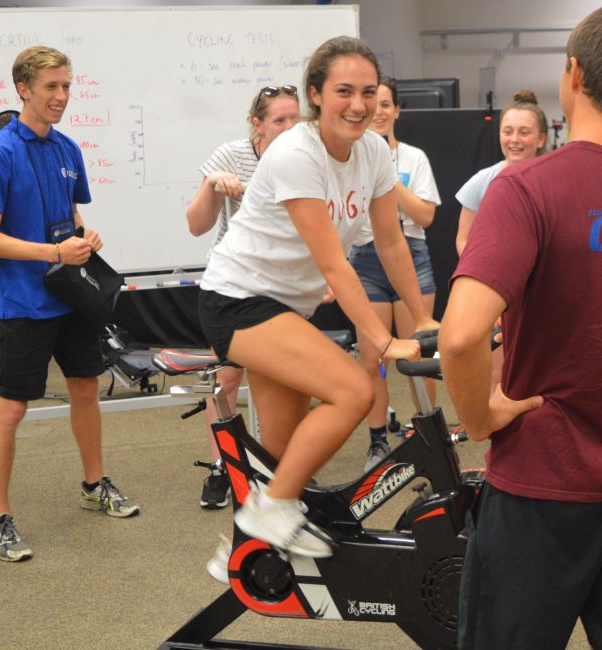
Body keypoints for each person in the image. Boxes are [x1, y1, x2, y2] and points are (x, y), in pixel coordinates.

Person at [439, 6, 602, 647]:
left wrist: (482, 417)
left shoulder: (524, 187)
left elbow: (460, 336)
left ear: (572, 74)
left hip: (543, 484)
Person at [197, 36, 435, 559]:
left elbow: (391, 241)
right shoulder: (295, 153)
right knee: (354, 390)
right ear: (316, 95)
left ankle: (239, 555)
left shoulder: (373, 151)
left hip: (286, 308)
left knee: (284, 453)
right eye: (344, 91)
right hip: (237, 300)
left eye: (368, 92)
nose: (358, 104)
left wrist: (421, 320)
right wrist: (381, 339)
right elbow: (333, 262)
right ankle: (270, 511)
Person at [0, 45, 139, 563]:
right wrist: (53, 252)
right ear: (23, 89)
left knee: (86, 389)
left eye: (67, 86)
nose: (62, 96)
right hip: (24, 303)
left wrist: (86, 236)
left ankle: (94, 486)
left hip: (72, 297)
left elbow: (68, 214)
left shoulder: (67, 149)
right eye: (51, 87)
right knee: (13, 408)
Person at [183, 84, 301, 509]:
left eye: (295, 119)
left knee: (281, 381)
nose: (289, 128)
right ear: (257, 124)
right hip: (233, 284)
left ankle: (275, 472)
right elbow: (197, 225)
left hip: (281, 283)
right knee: (228, 378)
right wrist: (214, 185)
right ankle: (224, 468)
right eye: (279, 121)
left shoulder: (301, 157)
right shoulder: (231, 154)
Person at [349, 76, 442, 471]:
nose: (379, 111)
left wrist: (385, 171)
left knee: (418, 356)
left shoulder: (414, 158)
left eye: (387, 104)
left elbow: (425, 215)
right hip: (366, 261)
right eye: (375, 104)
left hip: (412, 256)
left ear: (396, 111)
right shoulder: (348, 158)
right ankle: (376, 443)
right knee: (373, 359)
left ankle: (427, 438)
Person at [454, 90, 547, 254]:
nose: (514, 139)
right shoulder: (481, 182)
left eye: (524, 132)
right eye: (507, 131)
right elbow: (464, 240)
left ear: (541, 139)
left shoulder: (553, 183)